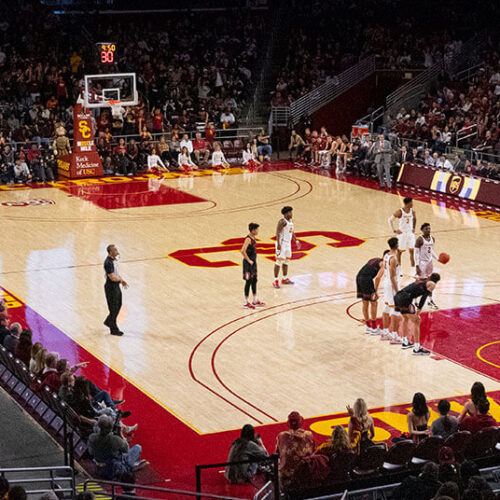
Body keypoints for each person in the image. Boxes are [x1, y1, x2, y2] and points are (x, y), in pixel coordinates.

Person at [394, 273, 441, 355]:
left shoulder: (424, 280)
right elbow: (424, 297)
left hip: (398, 296)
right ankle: (417, 348)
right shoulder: (432, 284)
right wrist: (418, 311)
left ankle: (405, 342)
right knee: (417, 320)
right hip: (405, 298)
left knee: (406, 318)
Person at [275, 411, 315, 489]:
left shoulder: (282, 436)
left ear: (288, 423)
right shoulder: (309, 435)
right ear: (300, 422)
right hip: (305, 476)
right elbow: (313, 452)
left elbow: (278, 454)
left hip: (286, 478)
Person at [355, 253, 384, 335]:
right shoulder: (384, 264)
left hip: (359, 277)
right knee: (374, 303)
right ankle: (374, 328)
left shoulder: (374, 259)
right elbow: (378, 278)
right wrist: (375, 291)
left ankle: (368, 327)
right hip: (367, 280)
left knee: (365, 302)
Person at [380, 238, 402, 343]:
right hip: (391, 285)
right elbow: (393, 277)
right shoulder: (393, 259)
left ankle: (385, 332)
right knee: (396, 310)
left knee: (387, 307)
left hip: (386, 283)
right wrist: (398, 291)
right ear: (397, 245)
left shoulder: (386, 256)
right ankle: (394, 335)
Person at [104, 245, 128, 337]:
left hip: (115, 286)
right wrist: (121, 280)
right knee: (113, 307)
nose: (117, 251)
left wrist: (121, 280)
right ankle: (113, 329)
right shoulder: (108, 263)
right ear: (110, 252)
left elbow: (116, 273)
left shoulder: (114, 261)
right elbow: (112, 277)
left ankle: (108, 321)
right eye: (115, 250)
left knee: (118, 305)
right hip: (111, 287)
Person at [273, 206, 301, 289]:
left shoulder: (290, 221)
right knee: (278, 262)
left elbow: (291, 231)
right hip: (282, 243)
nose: (291, 214)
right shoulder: (282, 221)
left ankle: (284, 278)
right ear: (285, 214)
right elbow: (277, 233)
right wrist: (278, 244)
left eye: (291, 212)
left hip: (288, 243)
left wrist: (296, 240)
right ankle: (275, 280)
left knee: (286, 261)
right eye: (289, 212)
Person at [388, 197, 417, 276]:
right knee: (400, 252)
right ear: (407, 203)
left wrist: (414, 228)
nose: (412, 204)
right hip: (402, 234)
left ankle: (413, 270)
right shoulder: (399, 212)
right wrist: (394, 230)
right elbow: (390, 220)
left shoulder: (413, 212)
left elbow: (414, 219)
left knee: (412, 251)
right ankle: (399, 269)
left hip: (410, 234)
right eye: (411, 202)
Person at [240, 223, 265, 309]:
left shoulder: (253, 238)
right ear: (253, 230)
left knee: (254, 280)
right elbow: (242, 251)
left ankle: (254, 300)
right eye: (257, 229)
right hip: (248, 264)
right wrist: (249, 260)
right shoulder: (248, 239)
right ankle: (245, 302)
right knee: (248, 282)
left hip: (253, 263)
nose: (258, 231)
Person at [415, 223, 439, 309]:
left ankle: (430, 300)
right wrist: (417, 266)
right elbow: (416, 254)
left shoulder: (432, 238)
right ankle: (416, 300)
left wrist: (437, 258)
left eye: (429, 228)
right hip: (422, 262)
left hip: (429, 262)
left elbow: (431, 251)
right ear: (422, 230)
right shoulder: (419, 240)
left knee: (431, 281)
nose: (428, 230)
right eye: (426, 229)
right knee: (421, 282)